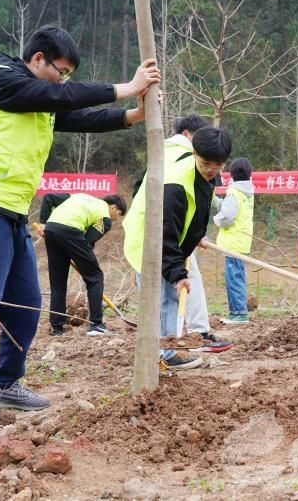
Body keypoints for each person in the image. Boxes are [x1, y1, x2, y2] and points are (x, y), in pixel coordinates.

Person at [0, 25, 160, 419]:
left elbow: (78, 116)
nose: (63, 80)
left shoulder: (39, 101)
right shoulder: (4, 80)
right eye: (60, 70)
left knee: (26, 303)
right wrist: (124, 87)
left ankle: (6, 384)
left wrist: (132, 115)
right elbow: (60, 96)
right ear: (38, 59)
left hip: (13, 212)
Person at [124, 126, 232, 371]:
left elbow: (197, 209)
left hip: (167, 238)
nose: (212, 170)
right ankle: (154, 359)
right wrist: (178, 274)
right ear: (194, 153)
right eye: (206, 163)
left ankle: (166, 354)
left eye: (219, 165)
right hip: (147, 240)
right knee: (158, 300)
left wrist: (196, 236)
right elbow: (164, 234)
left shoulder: (209, 174)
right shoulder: (174, 184)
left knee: (170, 298)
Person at [39, 192, 127, 337]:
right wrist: (79, 256)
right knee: (95, 277)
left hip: (51, 229)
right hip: (71, 230)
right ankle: (96, 325)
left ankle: (57, 328)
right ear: (113, 207)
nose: (117, 217)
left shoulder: (78, 196)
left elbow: (48, 198)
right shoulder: (105, 218)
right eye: (119, 213)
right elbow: (88, 240)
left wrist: (43, 222)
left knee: (58, 282)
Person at [214, 158, 255, 324]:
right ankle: (237, 312)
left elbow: (227, 217)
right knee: (237, 276)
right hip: (242, 241)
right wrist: (216, 201)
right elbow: (229, 207)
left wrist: (216, 219)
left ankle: (238, 313)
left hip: (233, 243)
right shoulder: (247, 192)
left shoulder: (234, 192)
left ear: (231, 175)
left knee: (234, 278)